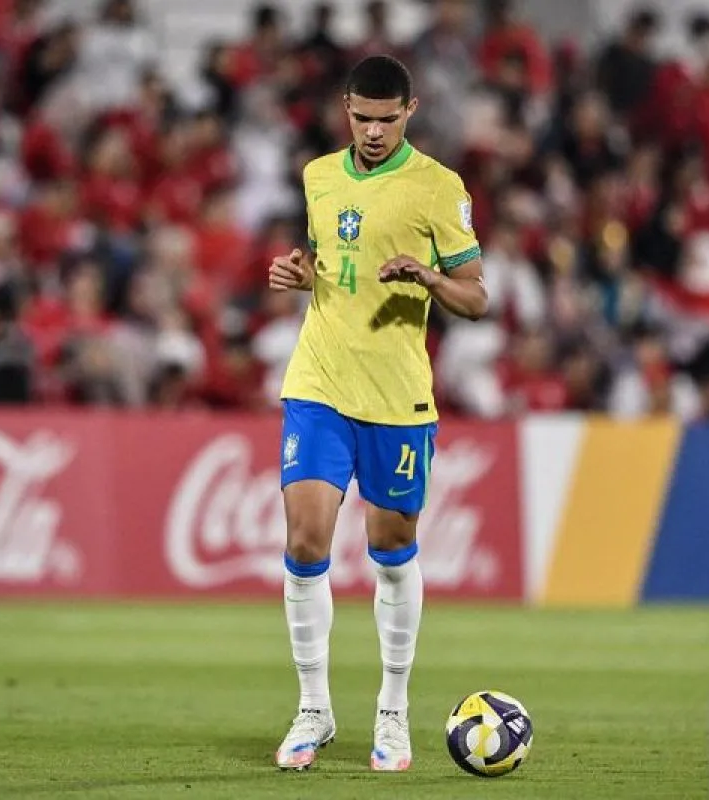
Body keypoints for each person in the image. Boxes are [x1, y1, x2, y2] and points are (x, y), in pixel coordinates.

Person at [266, 54, 488, 773]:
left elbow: (476, 296)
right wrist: (300, 275)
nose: (371, 131)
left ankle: (392, 711)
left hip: (396, 397)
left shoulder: (438, 188)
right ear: (346, 109)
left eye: (386, 119)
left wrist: (428, 276)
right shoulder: (318, 177)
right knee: (306, 542)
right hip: (319, 384)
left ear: (410, 112)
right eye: (361, 117)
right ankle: (314, 708)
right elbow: (333, 269)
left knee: (392, 550)